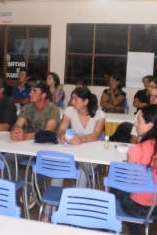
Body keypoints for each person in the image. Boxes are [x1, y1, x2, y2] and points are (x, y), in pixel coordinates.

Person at [116, 104, 157, 235]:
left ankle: (133, 229)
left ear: (150, 126)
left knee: (116, 189)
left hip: (139, 207)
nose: (135, 123)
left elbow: (128, 184)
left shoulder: (136, 150)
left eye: (139, 120)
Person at [43, 87, 105, 221]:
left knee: (82, 171)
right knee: (59, 169)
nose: (72, 102)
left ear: (86, 101)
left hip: (91, 156)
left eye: (76, 99)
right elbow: (61, 129)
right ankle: (48, 211)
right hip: (72, 153)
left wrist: (82, 139)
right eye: (72, 98)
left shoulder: (100, 115)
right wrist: (62, 136)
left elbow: (96, 135)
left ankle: (74, 210)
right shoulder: (70, 111)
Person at [6, 80, 60, 208]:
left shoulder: (53, 109)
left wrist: (25, 136)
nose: (30, 93)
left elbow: (47, 132)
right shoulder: (27, 108)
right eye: (30, 90)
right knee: (7, 158)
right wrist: (16, 131)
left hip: (49, 146)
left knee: (43, 163)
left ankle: (29, 188)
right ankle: (30, 187)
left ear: (43, 95)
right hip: (29, 144)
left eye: (34, 91)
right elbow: (17, 124)